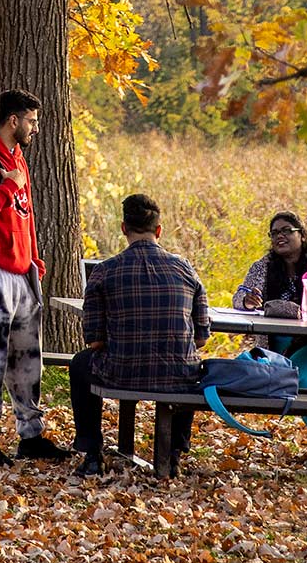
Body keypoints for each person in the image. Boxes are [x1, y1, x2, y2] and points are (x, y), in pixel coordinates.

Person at [0, 88, 70, 466]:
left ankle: (30, 434)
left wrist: (34, 258)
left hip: (21, 272)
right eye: (32, 121)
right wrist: (9, 186)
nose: (36, 128)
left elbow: (26, 214)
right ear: (14, 120)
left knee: (26, 357)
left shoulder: (16, 156)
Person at [70, 194, 210, 476]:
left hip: (121, 371)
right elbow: (201, 337)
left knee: (79, 363)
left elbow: (95, 342)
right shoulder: (185, 269)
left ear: (124, 229)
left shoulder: (103, 272)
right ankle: (174, 453)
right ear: (159, 230)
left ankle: (92, 451)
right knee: (194, 366)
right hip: (176, 373)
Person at [234, 211, 307, 470]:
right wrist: (246, 301)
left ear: (302, 235)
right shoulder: (262, 267)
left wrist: (286, 308)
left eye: (286, 231)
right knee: (298, 373)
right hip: (278, 353)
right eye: (274, 233)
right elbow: (239, 297)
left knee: (303, 362)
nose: (279, 237)